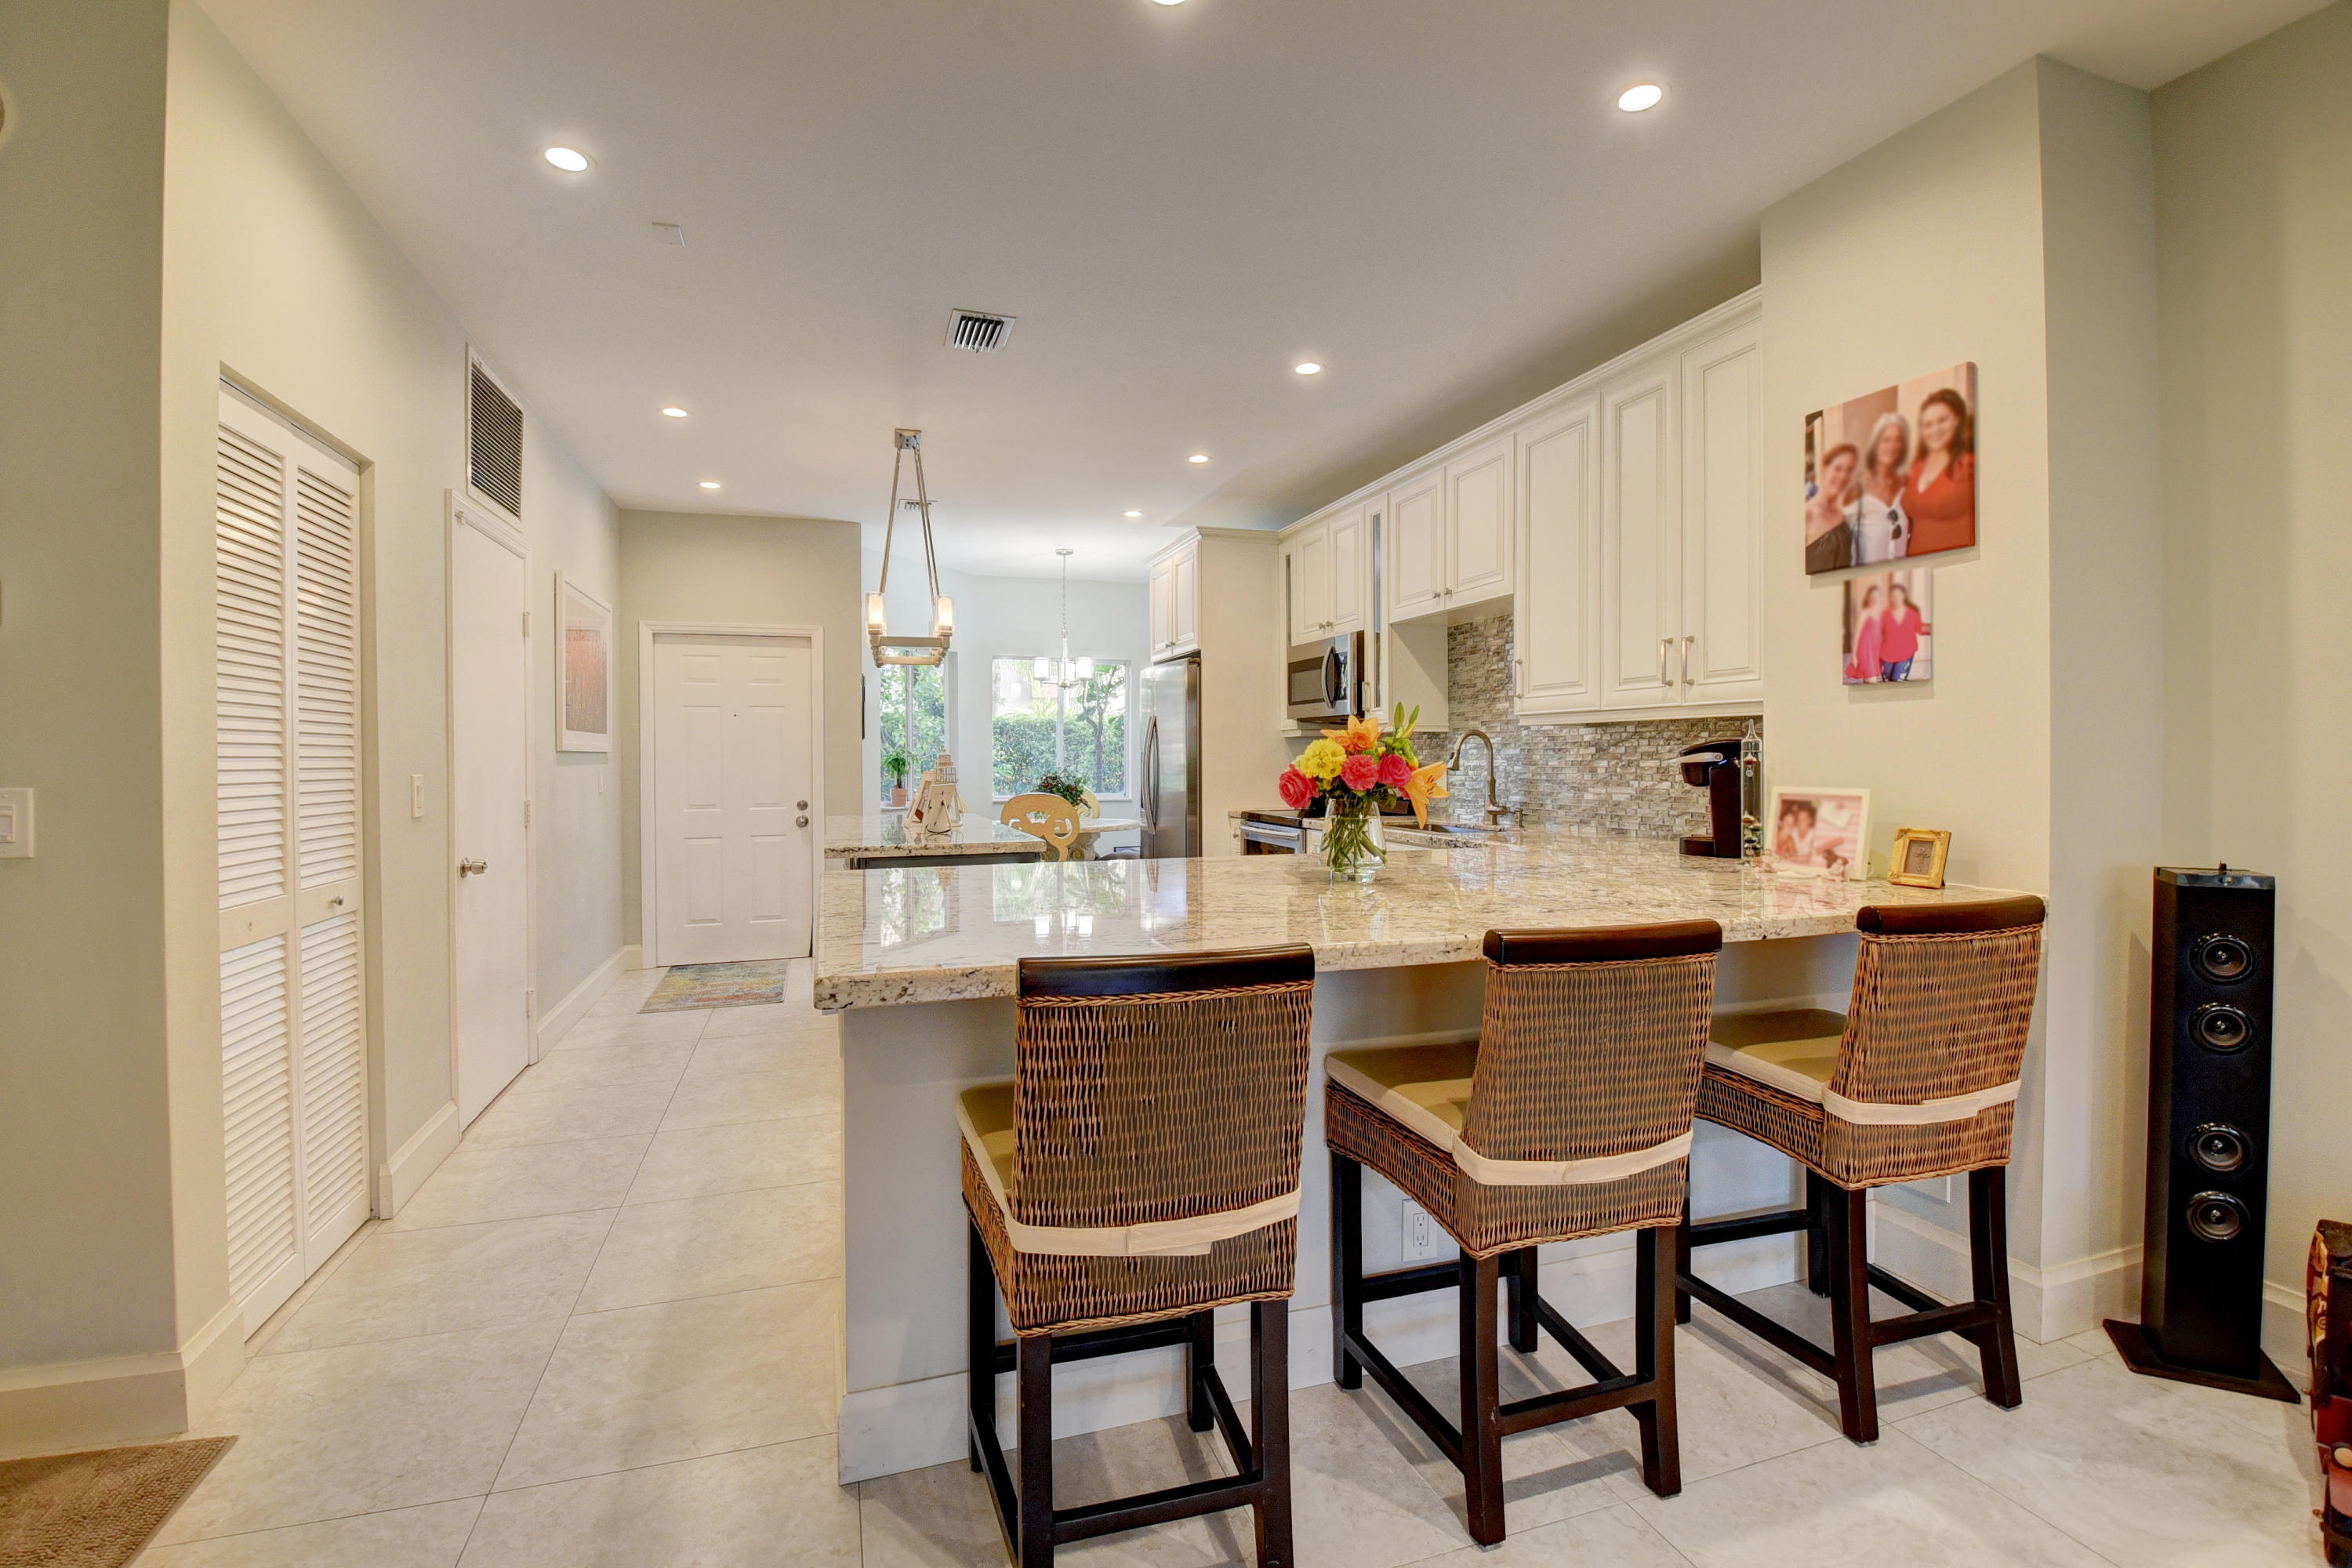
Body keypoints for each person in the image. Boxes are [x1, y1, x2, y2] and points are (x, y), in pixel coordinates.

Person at [1904, 387, 1976, 556]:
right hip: (1918, 565)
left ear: (1957, 420)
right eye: (1928, 425)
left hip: (1958, 563)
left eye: (1942, 420)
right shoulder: (1918, 467)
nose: (1935, 430)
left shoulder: (1969, 465)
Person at [1851, 413, 1911, 564]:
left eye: (1898, 440)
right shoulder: (1857, 488)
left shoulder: (1907, 484)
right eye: (1887, 440)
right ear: (1876, 444)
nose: (1892, 446)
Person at [1803, 443, 1858, 573]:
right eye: (1838, 469)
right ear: (1824, 469)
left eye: (1849, 470)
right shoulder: (1806, 514)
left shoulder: (1841, 513)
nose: (1843, 476)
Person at [1878, 580, 1926, 681]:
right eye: (1893, 596)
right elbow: (1877, 633)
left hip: (1906, 652)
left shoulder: (1912, 614)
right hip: (1886, 654)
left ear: (1903, 596)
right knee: (1887, 683)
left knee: (1898, 682)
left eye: (1898, 595)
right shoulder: (1885, 614)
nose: (1896, 598)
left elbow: (1920, 628)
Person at [1846, 584, 1884, 683]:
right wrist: (1854, 656)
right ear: (1868, 598)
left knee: (1868, 680)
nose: (1875, 599)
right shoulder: (1864, 613)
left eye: (1877, 597)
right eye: (1872, 597)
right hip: (1865, 650)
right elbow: (1856, 635)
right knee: (1872, 680)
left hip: (1874, 651)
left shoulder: (1879, 613)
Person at [1774, 800, 1818, 864]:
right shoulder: (1772, 836)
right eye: (1787, 822)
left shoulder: (1790, 839)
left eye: (1792, 823)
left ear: (1810, 820)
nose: (1790, 826)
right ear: (1781, 823)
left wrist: (1806, 857)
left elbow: (1794, 856)